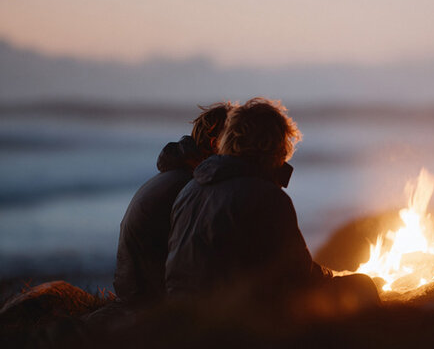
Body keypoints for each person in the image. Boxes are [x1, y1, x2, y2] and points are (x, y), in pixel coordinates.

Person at [166, 98, 377, 316]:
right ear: (274, 146)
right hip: (229, 317)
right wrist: (334, 276)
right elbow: (297, 272)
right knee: (363, 286)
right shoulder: (265, 196)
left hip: (181, 312)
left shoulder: (189, 189)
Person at [114, 102, 230, 306]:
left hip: (133, 288)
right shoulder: (192, 186)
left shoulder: (177, 176)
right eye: (236, 138)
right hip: (149, 299)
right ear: (215, 144)